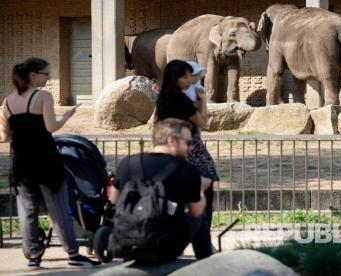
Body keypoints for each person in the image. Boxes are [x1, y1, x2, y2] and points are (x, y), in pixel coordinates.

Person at [0, 58, 100, 269]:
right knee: (59, 210)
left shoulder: (7, 101)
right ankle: (73, 254)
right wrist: (66, 116)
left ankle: (33, 256)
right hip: (45, 161)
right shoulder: (42, 96)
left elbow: (5, 137)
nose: (48, 78)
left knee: (27, 211)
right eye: (46, 74)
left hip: (21, 163)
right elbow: (51, 127)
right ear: (33, 75)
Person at [108, 118, 213, 260]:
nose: (191, 147)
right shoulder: (187, 170)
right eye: (188, 143)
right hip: (164, 246)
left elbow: (113, 200)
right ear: (171, 141)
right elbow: (196, 211)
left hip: (125, 242)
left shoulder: (128, 163)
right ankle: (206, 262)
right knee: (200, 217)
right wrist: (200, 188)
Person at [155, 60, 219, 231]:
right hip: (188, 150)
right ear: (175, 79)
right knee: (204, 189)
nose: (190, 80)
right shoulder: (180, 99)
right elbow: (202, 121)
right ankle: (202, 236)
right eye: (185, 77)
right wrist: (204, 99)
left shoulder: (164, 97)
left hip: (168, 151)